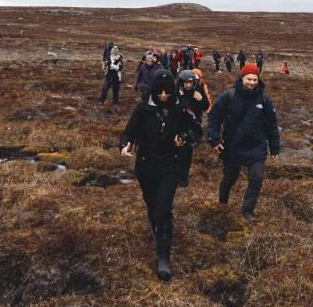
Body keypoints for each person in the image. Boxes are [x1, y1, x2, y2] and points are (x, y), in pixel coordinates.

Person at [120, 70, 202, 281]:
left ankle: (163, 259)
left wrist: (183, 138)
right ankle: (156, 230)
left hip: (171, 165)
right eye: (160, 92)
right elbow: (129, 131)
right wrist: (125, 144)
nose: (164, 95)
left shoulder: (181, 108)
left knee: (163, 209)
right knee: (152, 203)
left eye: (167, 91)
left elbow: (196, 130)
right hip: (146, 165)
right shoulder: (142, 108)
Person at [207, 63, 280, 222]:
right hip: (233, 146)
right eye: (249, 79)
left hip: (257, 148)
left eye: (255, 79)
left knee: (256, 178)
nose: (252, 82)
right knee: (229, 179)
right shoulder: (229, 96)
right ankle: (222, 204)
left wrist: (274, 147)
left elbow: (271, 124)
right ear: (242, 78)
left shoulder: (264, 99)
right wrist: (213, 140)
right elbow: (214, 118)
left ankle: (248, 211)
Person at [176, 69, 210, 187]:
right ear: (182, 82)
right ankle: (176, 178)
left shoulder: (198, 91)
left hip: (193, 128)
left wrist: (201, 99)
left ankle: (183, 181)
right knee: (178, 154)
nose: (188, 85)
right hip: (179, 127)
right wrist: (179, 98)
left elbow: (206, 107)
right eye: (185, 83)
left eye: (190, 83)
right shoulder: (177, 92)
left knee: (187, 155)